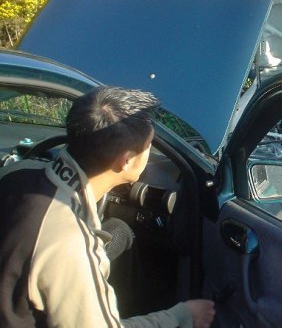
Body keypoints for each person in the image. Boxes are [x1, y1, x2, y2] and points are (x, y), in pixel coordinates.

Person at [0, 86, 215, 327]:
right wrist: (183, 315)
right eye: (149, 146)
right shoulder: (70, 243)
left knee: (119, 231)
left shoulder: (18, 171)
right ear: (126, 161)